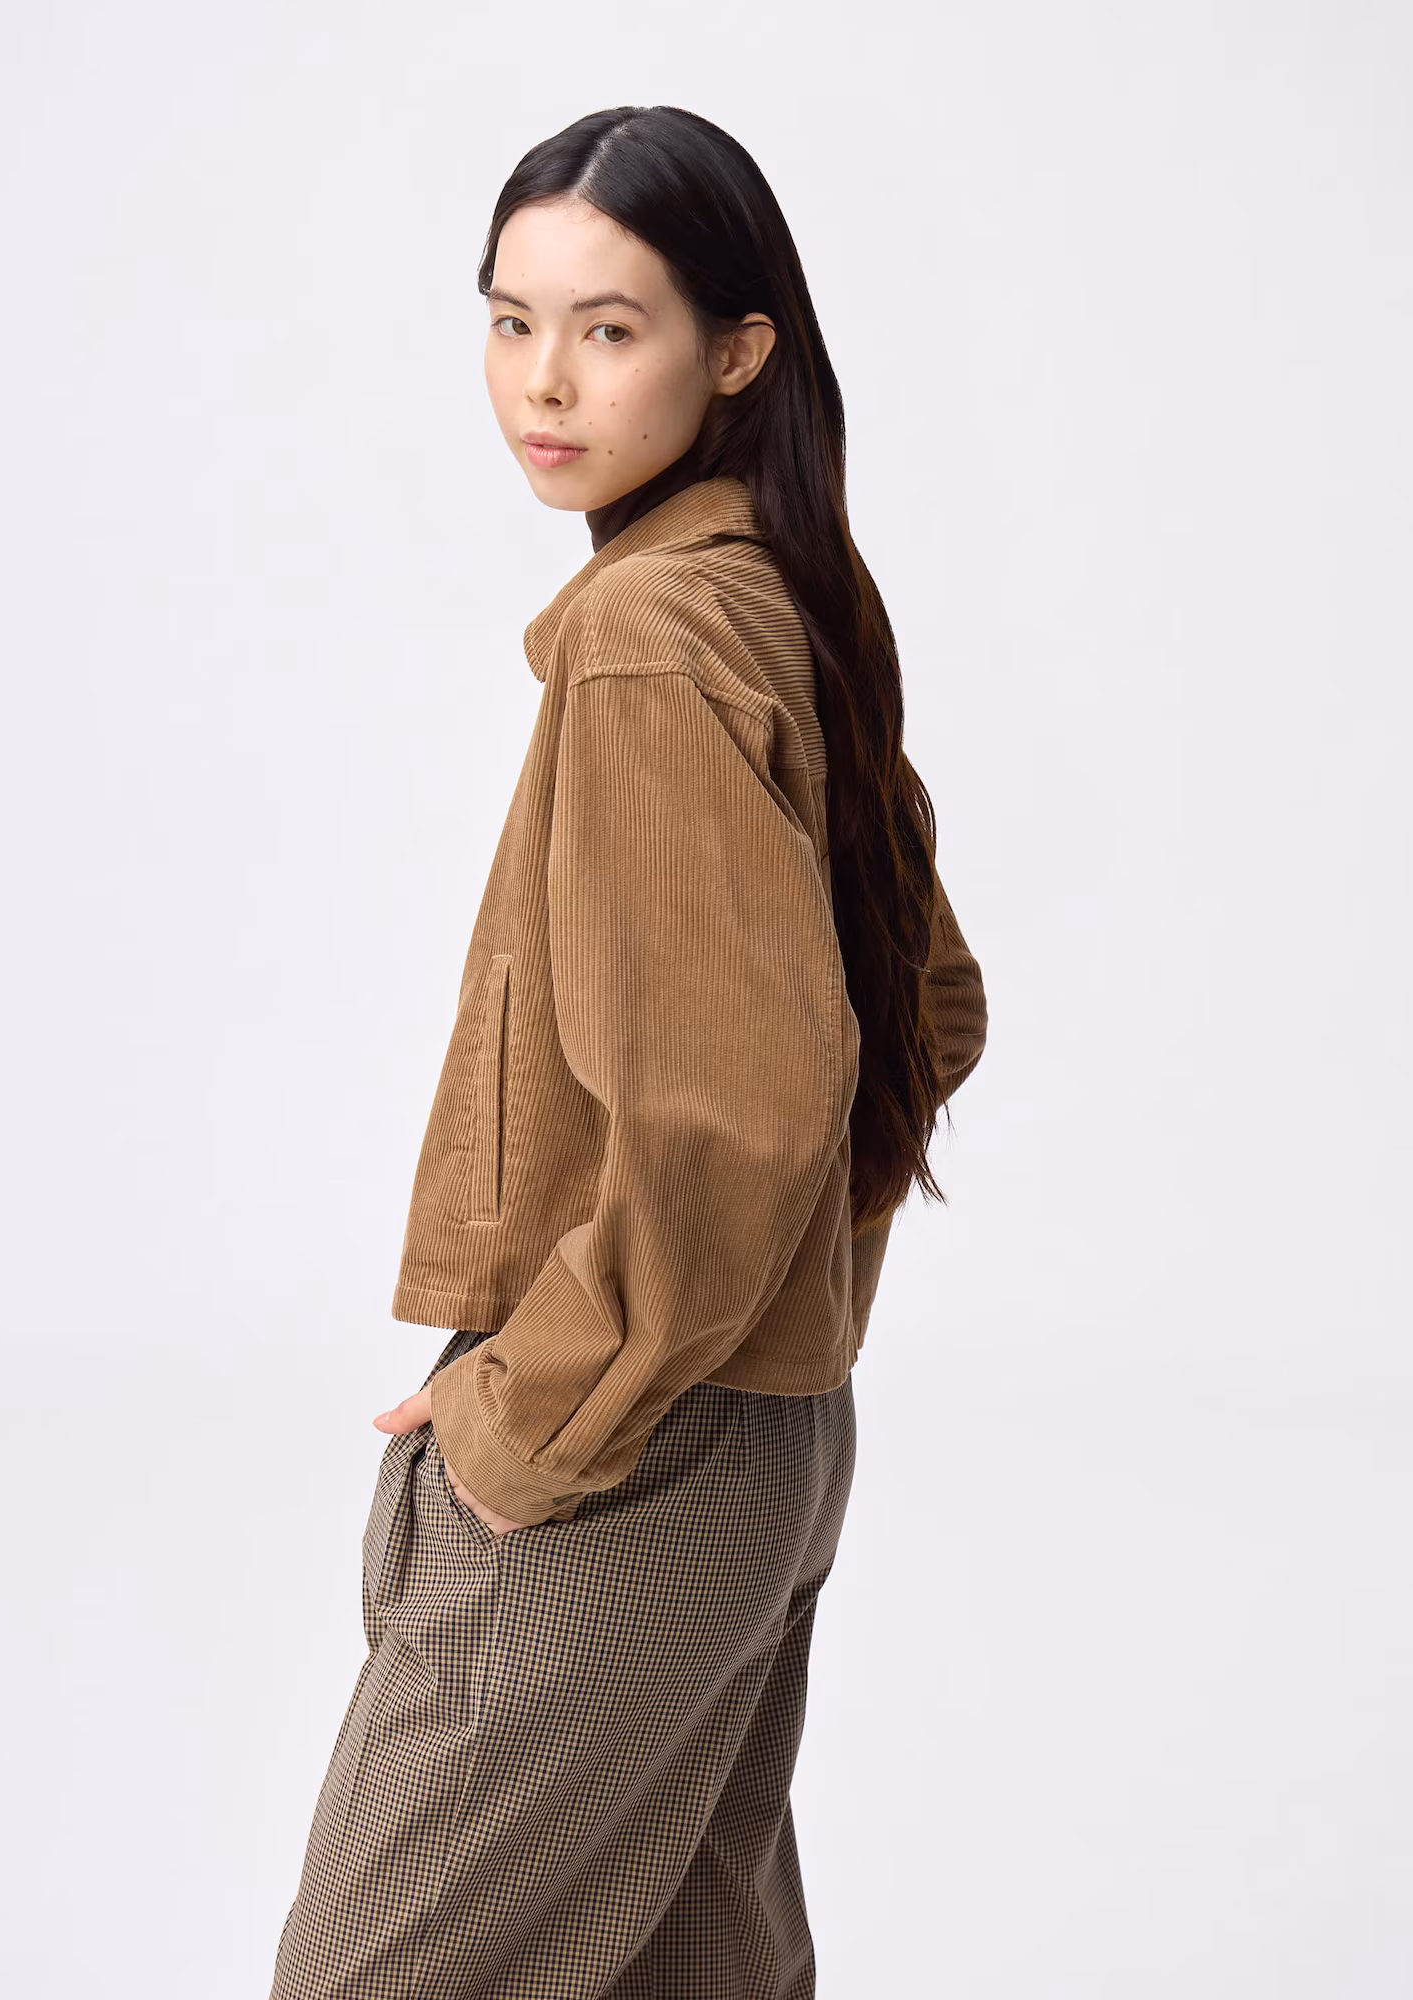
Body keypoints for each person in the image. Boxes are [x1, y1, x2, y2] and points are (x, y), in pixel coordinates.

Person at [270, 103, 988, 2000]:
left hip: (630, 1464)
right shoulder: (779, 594)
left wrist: (537, 1406)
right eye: (511, 321)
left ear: (738, 352)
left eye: (609, 328)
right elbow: (924, 1014)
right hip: (761, 1447)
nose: (543, 382)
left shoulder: (653, 635)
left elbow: (739, 1117)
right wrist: (780, 1319)